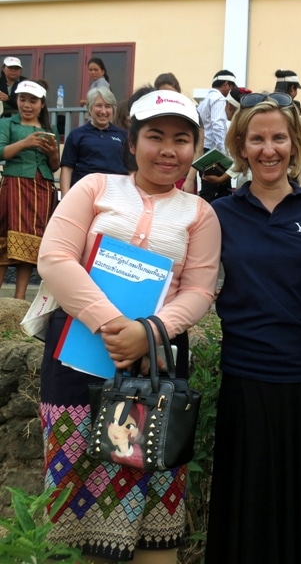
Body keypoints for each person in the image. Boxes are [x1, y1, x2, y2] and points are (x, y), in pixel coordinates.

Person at [37, 89, 221, 564]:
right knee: (76, 495)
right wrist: (116, 325)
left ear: (195, 147)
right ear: (133, 142)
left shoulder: (200, 213)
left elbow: (199, 290)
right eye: (155, 136)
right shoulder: (94, 188)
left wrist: (151, 331)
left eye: (181, 139)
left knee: (152, 486)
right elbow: (54, 258)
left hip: (155, 367)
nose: (168, 150)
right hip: (78, 357)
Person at [205, 92, 301, 564]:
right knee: (249, 510)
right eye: (257, 139)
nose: (269, 149)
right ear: (241, 147)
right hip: (246, 380)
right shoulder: (220, 214)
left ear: (295, 143)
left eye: (279, 138)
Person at [0, 80, 59, 299]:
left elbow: (55, 166)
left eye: (33, 101)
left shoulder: (49, 129)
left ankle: (20, 298)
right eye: (22, 99)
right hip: (15, 183)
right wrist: (24, 143)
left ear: (41, 104)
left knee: (30, 240)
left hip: (42, 186)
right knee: (5, 237)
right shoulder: (7, 123)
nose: (27, 105)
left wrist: (53, 153)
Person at [60, 86, 129, 196]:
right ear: (90, 108)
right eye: (98, 106)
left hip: (116, 194)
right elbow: (67, 168)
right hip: (84, 193)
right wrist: (65, 198)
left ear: (113, 109)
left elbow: (132, 168)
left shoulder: (123, 135)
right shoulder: (76, 135)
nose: (103, 111)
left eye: (108, 106)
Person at [201, 86, 253, 190]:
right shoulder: (250, 126)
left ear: (228, 106)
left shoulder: (239, 130)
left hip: (248, 181)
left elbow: (241, 162)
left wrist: (220, 179)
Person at [197, 69, 236, 202]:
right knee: (220, 192)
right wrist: (223, 154)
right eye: (231, 87)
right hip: (214, 152)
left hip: (204, 150)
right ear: (226, 84)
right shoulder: (219, 99)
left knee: (208, 189)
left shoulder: (205, 100)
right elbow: (218, 126)